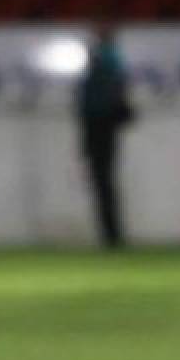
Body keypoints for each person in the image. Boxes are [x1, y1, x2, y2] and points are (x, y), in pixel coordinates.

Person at [76, 25, 134, 249]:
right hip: (102, 125)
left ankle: (111, 234)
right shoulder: (110, 61)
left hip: (99, 125)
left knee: (103, 182)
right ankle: (111, 233)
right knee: (104, 181)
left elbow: (98, 98)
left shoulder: (105, 61)